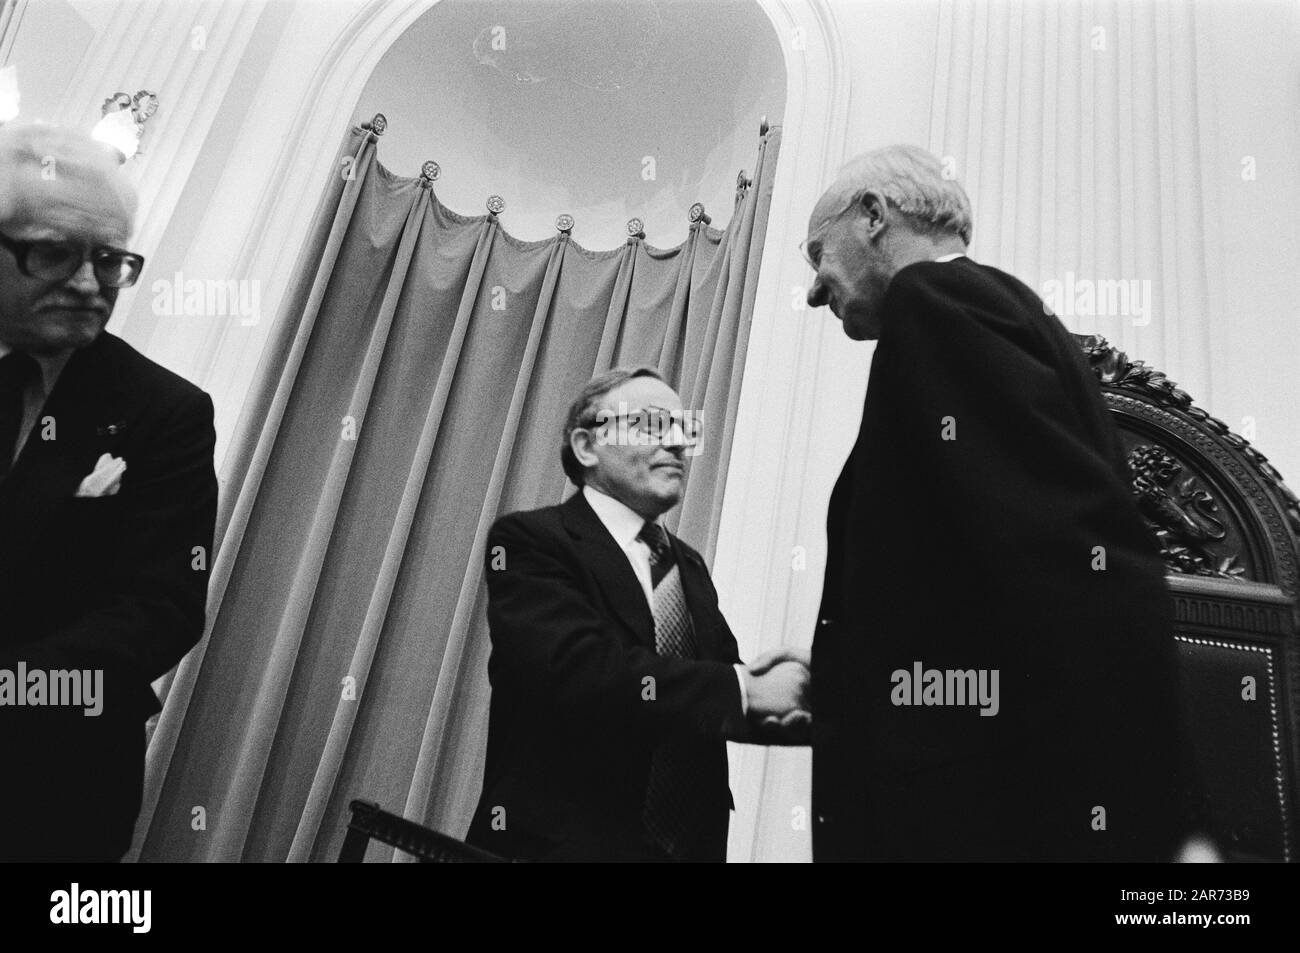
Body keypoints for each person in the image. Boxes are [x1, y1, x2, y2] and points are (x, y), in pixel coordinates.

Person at [803, 144, 1203, 861]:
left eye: (815, 254)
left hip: (964, 818)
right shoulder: (1005, 310)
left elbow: (1072, 556)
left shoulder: (933, 302)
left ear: (871, 216)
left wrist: (1165, 838)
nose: (813, 290)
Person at [466, 366, 808, 862]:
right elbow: (578, 669)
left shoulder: (688, 565)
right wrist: (745, 690)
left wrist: (808, 708)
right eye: (650, 424)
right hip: (556, 848)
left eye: (686, 429)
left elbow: (711, 690)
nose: (676, 443)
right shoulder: (530, 541)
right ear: (586, 446)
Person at [0, 122, 218, 861]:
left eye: (110, 260)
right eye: (55, 252)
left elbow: (162, 609)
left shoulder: (168, 413)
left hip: (48, 790)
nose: (91, 284)